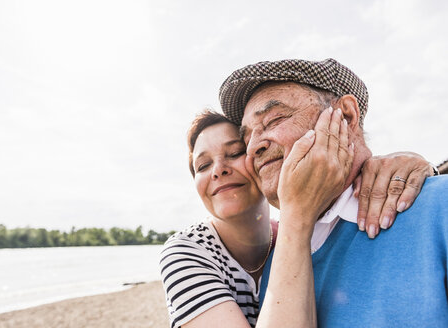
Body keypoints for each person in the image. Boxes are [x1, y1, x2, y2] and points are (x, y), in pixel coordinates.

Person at [219, 58, 447, 327]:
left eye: (274, 119)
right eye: (246, 138)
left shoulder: (438, 207)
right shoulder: (276, 261)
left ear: (347, 116)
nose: (253, 147)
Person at [159, 111, 435, 327]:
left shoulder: (305, 233)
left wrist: (409, 164)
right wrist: (297, 214)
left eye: (234, 153)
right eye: (203, 165)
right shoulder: (186, 252)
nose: (218, 170)